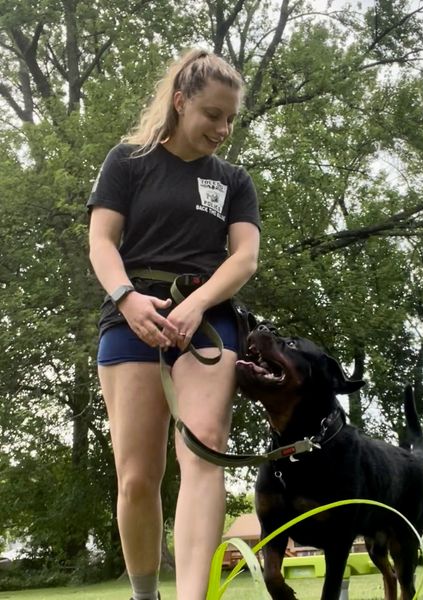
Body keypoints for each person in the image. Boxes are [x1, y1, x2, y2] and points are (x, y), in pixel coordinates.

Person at [87, 49, 260, 600]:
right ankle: (146, 595)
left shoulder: (233, 181)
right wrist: (128, 299)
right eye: (213, 114)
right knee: (137, 477)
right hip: (130, 318)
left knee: (205, 446)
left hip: (206, 322)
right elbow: (101, 242)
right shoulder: (128, 161)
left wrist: (196, 304)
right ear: (181, 102)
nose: (223, 129)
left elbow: (244, 257)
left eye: (230, 118)